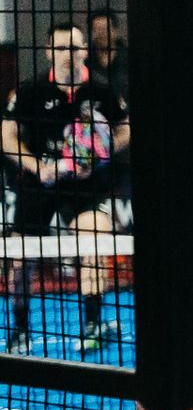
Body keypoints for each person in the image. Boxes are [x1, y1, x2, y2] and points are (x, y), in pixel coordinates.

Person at [2, 22, 130, 355]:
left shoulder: (102, 92)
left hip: (85, 188)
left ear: (84, 51)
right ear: (49, 52)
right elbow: (7, 137)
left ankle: (92, 325)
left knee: (97, 238)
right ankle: (19, 330)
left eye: (73, 48)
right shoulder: (29, 92)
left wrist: (101, 155)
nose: (67, 55)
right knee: (19, 256)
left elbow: (124, 130)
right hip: (39, 186)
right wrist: (36, 166)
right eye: (60, 49)